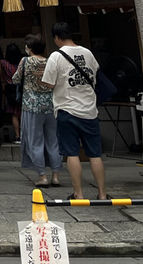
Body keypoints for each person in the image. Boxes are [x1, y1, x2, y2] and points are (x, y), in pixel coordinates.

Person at [41, 22, 107, 200]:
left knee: (72, 153)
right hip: (90, 110)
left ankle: (79, 194)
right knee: (95, 154)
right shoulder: (88, 53)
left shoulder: (56, 56)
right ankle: (102, 193)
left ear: (56, 38)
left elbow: (48, 83)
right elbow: (96, 73)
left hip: (67, 109)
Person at [14, 34, 62, 187]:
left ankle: (42, 176)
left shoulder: (25, 61)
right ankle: (56, 175)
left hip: (31, 105)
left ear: (30, 48)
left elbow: (16, 78)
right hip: (50, 105)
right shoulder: (50, 61)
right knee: (53, 140)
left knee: (35, 141)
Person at [2, 43, 24, 144]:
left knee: (14, 113)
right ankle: (24, 134)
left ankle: (17, 136)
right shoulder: (22, 63)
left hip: (9, 89)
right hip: (20, 88)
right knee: (22, 112)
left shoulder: (4, 64)